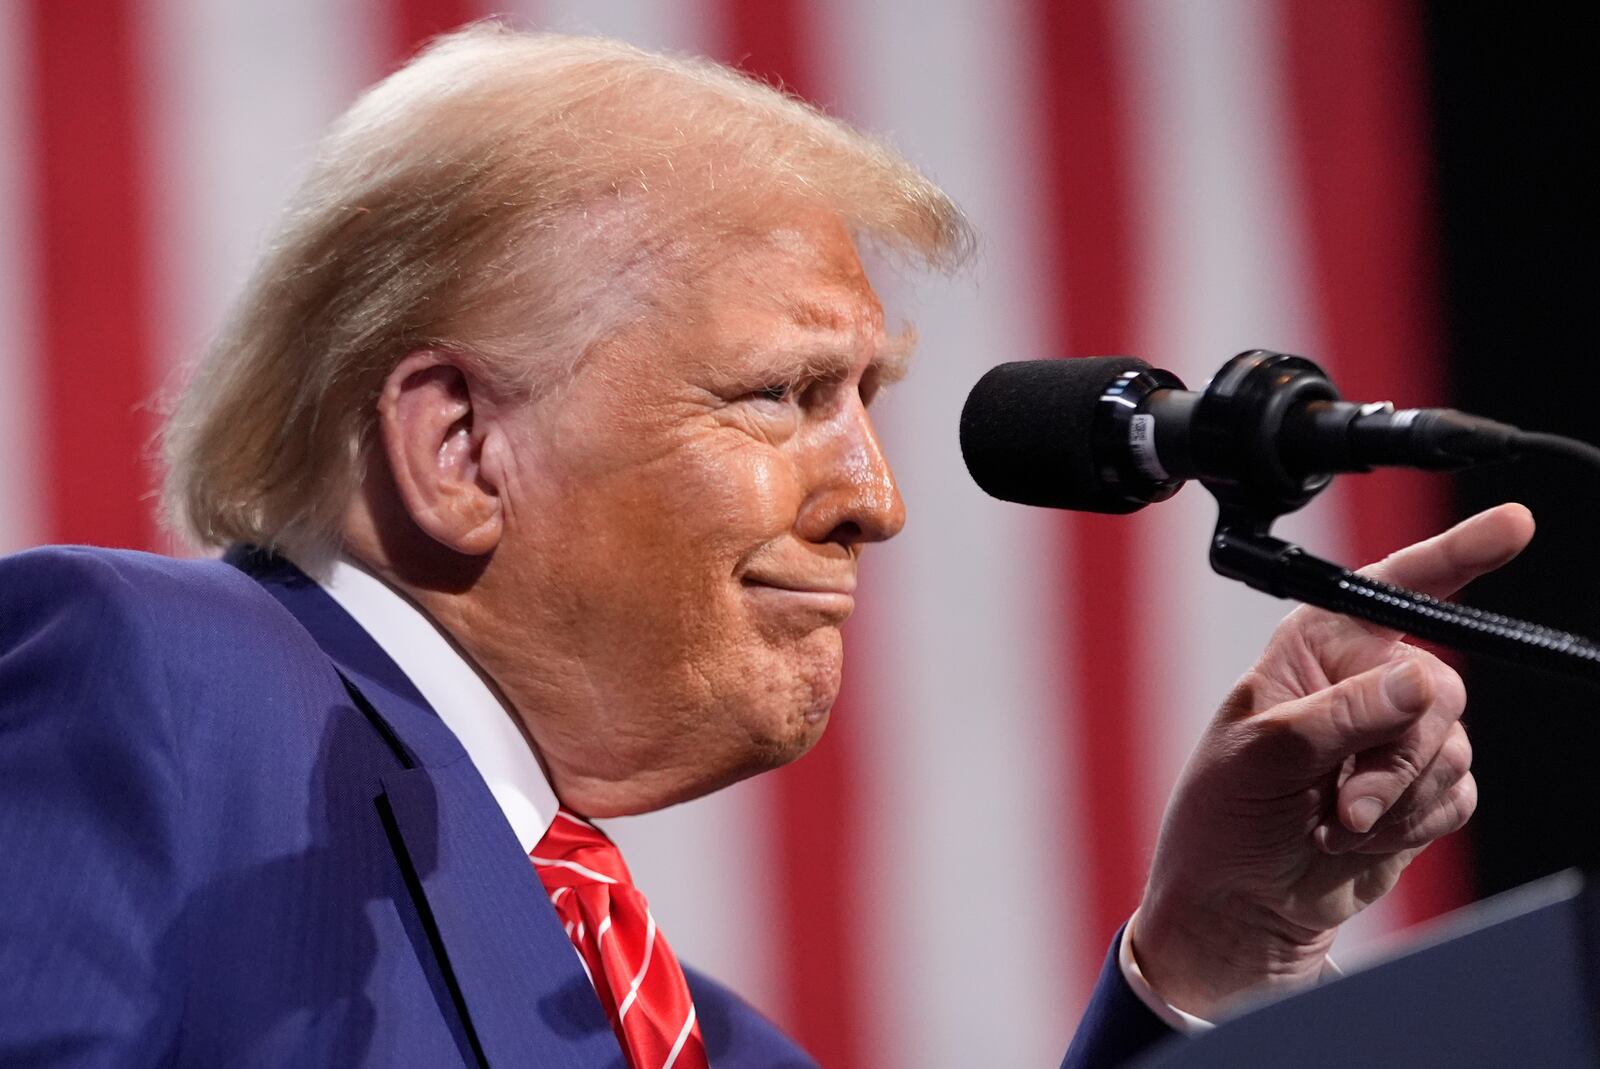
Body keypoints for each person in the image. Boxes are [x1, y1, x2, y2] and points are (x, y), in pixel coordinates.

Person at [0, 24, 1532, 1069]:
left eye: (867, 401)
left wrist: (1209, 952)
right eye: (789, 394)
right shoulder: (153, 687)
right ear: (459, 448)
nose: (876, 494)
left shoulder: (698, 1034)